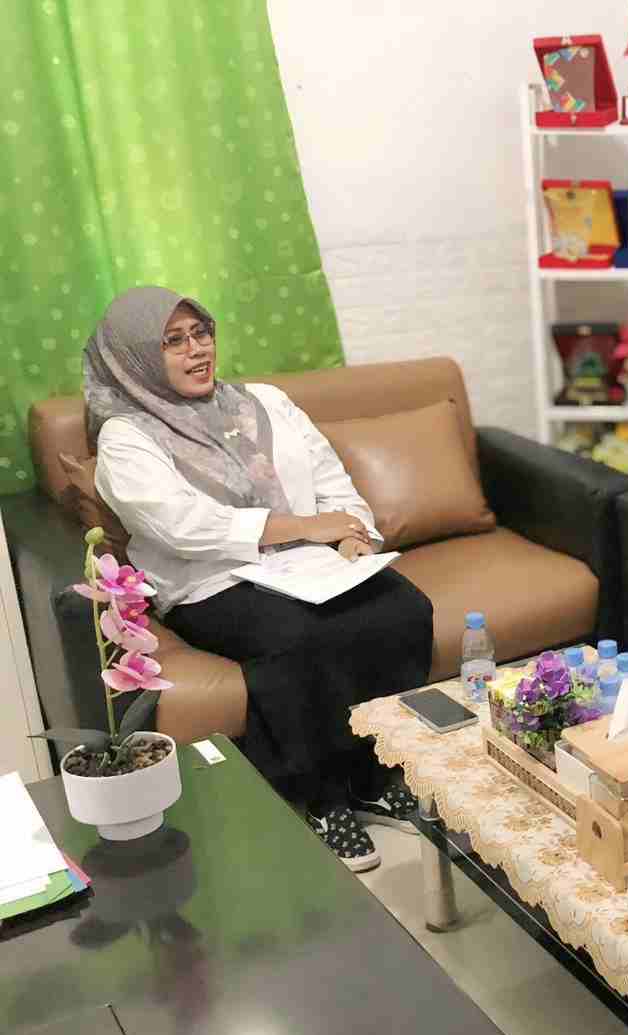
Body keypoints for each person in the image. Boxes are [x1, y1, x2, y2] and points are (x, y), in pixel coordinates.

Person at [87, 287, 435, 872]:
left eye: (202, 333)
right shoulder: (126, 437)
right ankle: (323, 797)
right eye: (173, 341)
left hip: (311, 564)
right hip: (212, 581)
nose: (197, 350)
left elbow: (330, 478)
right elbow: (182, 527)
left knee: (404, 609)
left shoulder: (265, 403)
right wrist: (305, 526)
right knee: (298, 639)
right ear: (136, 359)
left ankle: (374, 776)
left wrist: (354, 535)